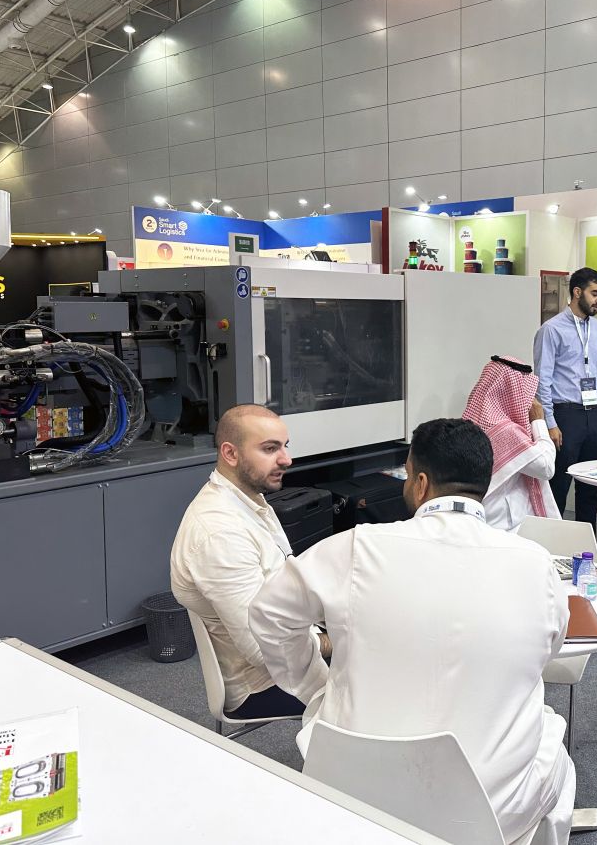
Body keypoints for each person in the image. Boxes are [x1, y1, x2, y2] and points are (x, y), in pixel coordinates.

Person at [249, 419, 574, 845]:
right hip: (490, 814)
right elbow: (549, 649)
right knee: (553, 737)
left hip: (352, 789)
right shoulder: (535, 563)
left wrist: (313, 684)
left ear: (420, 484)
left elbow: (269, 614)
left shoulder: (355, 547)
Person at [170, 404, 316, 721]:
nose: (286, 459)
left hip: (293, 650)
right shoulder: (219, 533)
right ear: (230, 454)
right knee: (391, 679)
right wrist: (335, 639)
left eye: (285, 446)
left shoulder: (248, 499)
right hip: (267, 685)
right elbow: (264, 649)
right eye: (270, 449)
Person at [533, 266, 597, 528]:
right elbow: (543, 378)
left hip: (595, 412)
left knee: (591, 485)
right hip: (566, 414)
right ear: (577, 292)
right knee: (559, 484)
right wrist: (550, 422)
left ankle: (588, 545)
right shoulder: (551, 329)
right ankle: (554, 544)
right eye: (594, 293)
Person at [462, 355, 558, 531]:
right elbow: (546, 467)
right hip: (504, 525)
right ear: (512, 391)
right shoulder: (506, 431)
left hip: (480, 519)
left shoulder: (472, 422)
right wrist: (538, 421)